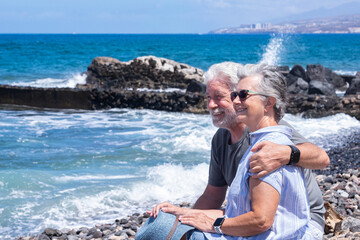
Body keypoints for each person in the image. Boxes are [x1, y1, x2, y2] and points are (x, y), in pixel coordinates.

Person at [149, 63, 329, 239]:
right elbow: (213, 195)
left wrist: (286, 153)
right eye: (208, 97)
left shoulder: (268, 134)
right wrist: (185, 215)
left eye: (219, 96)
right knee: (165, 224)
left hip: (298, 220)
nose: (211, 105)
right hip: (248, 213)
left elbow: (322, 158)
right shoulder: (221, 138)